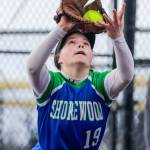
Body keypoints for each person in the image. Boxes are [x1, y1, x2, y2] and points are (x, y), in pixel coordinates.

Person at [26, 2, 134, 150]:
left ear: (92, 58)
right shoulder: (51, 83)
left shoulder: (100, 84)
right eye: (71, 42)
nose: (81, 45)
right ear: (58, 58)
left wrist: (117, 37)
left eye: (86, 44)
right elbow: (32, 67)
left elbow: (126, 75)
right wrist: (61, 28)